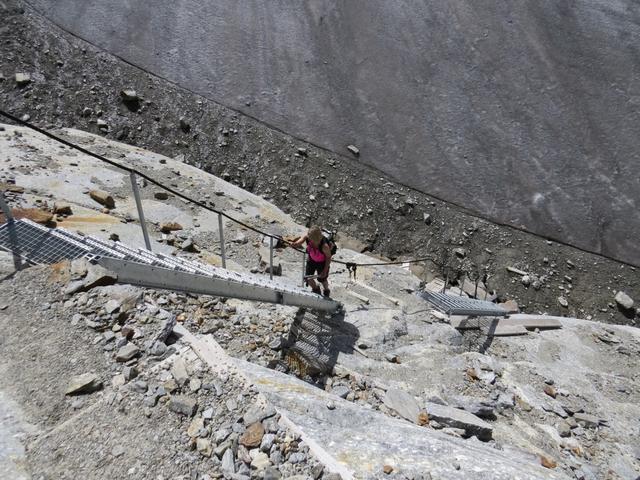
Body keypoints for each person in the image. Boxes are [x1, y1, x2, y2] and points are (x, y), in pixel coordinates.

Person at [290, 225, 332, 297]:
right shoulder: (308, 237)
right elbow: (299, 242)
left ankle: (326, 290)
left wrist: (324, 271)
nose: (308, 238)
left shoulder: (324, 246)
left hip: (322, 263)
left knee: (322, 279)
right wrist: (294, 244)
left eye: (310, 238)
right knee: (308, 278)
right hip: (311, 260)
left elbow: (328, 257)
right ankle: (316, 289)